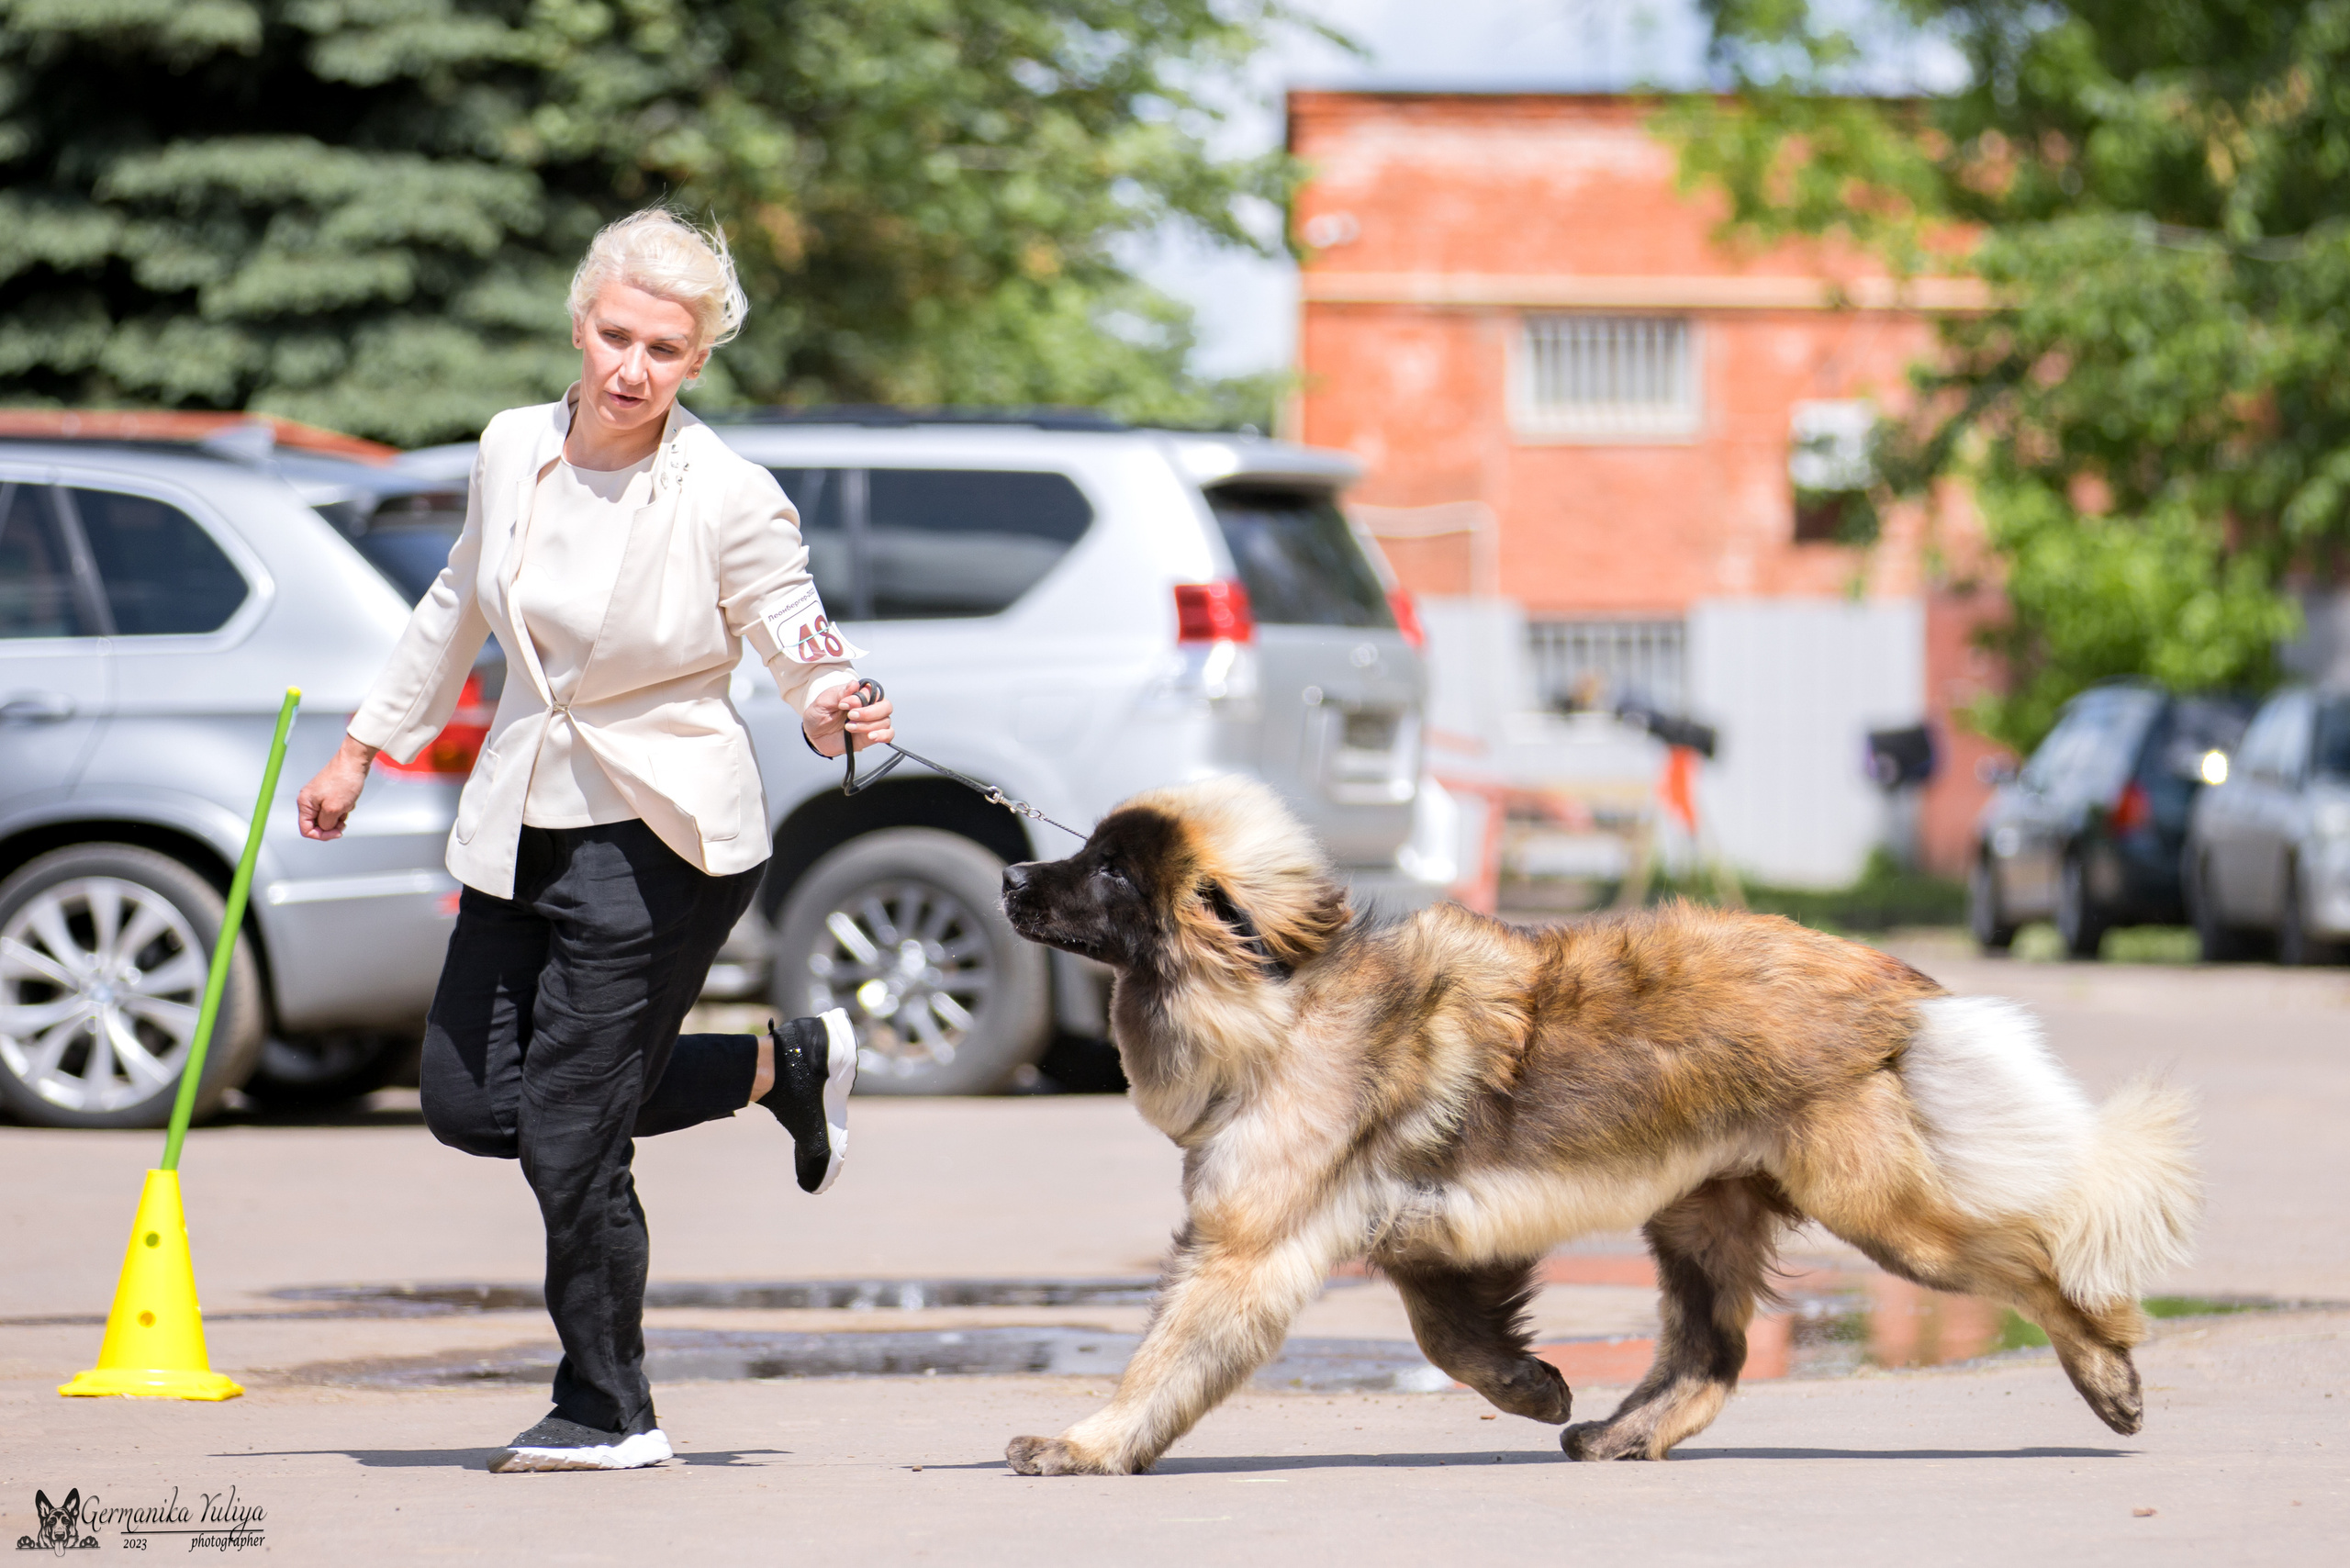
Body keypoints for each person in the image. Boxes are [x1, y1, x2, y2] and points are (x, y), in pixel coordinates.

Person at [295, 207, 892, 1474]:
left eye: (664, 349)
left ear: (698, 361)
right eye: (617, 336)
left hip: (664, 836)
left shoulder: (728, 494)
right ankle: (781, 1067)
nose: (633, 367)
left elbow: (795, 627)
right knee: (469, 1100)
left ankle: (609, 1411)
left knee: (572, 1129)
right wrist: (361, 746)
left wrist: (833, 696)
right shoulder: (512, 445)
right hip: (524, 818)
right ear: (580, 324)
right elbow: (457, 598)